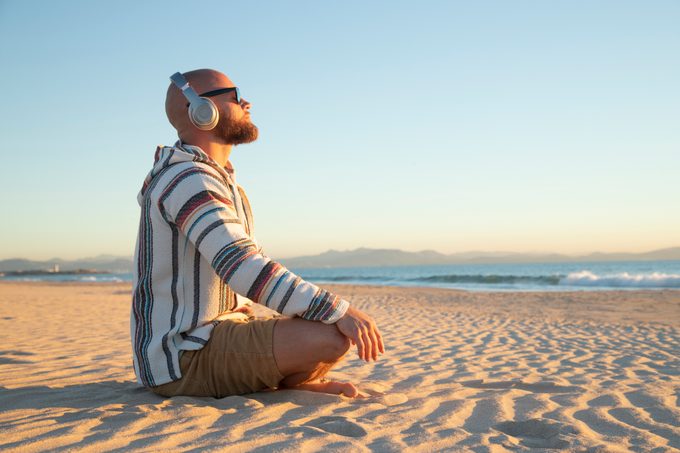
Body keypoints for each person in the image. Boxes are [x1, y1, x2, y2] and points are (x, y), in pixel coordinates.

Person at [130, 68, 384, 399]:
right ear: (200, 110)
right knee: (331, 335)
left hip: (217, 335)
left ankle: (289, 380)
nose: (246, 102)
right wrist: (338, 309)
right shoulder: (188, 179)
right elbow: (241, 265)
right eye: (234, 96)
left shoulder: (216, 180)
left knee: (326, 328)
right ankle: (289, 382)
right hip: (183, 356)